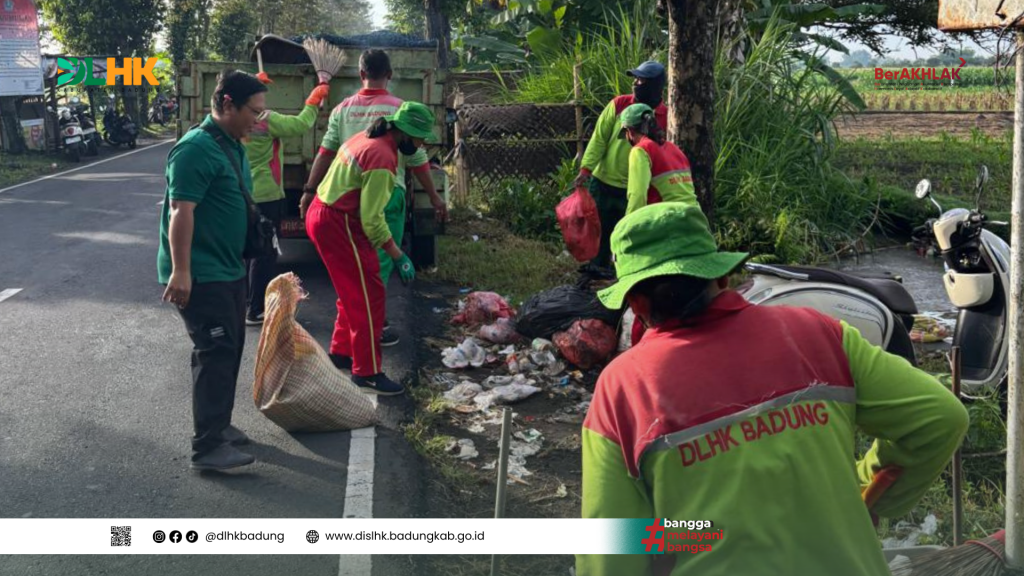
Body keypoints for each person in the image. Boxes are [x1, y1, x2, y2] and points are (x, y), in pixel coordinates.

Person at [576, 203, 969, 576]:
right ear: (721, 277)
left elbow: (610, 554)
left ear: (634, 301)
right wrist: (865, 492)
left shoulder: (623, 388)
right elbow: (941, 416)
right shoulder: (820, 334)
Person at [158, 70, 269, 471]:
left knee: (230, 349)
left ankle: (218, 426)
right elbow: (180, 212)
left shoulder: (231, 143)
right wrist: (182, 271)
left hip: (228, 268)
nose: (259, 119)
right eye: (253, 112)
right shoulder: (194, 149)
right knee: (215, 351)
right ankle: (207, 447)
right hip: (202, 274)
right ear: (226, 104)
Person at [301, 48, 447, 347]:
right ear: (390, 75)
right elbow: (418, 160)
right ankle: (372, 326)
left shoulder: (342, 109)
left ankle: (357, 330)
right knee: (375, 264)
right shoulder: (400, 109)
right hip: (387, 193)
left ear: (361, 73)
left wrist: (308, 189)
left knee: (358, 268)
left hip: (346, 197)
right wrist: (434, 197)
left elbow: (325, 153)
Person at [304, 101, 436, 396]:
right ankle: (367, 373)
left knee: (354, 290)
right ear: (406, 133)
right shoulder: (383, 158)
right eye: (419, 139)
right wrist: (398, 254)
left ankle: (341, 352)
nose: (420, 145)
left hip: (327, 216)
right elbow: (372, 219)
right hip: (339, 222)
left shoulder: (367, 137)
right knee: (369, 295)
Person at [241, 75, 329, 325]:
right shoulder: (267, 120)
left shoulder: (238, 122)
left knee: (249, 251)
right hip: (268, 193)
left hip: (246, 192)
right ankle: (256, 309)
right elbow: (301, 125)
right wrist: (314, 100)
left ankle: (248, 302)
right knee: (265, 253)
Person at [574, 60, 667, 270]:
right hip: (604, 181)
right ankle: (596, 274)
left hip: (636, 189)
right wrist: (586, 169)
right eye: (635, 79)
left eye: (641, 80)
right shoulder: (619, 104)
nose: (635, 83)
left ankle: (625, 277)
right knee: (600, 233)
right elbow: (599, 138)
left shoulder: (666, 116)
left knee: (630, 236)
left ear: (655, 84)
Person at [619, 103, 698, 216]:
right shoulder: (674, 149)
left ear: (630, 132)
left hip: (668, 220)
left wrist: (629, 227)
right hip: (695, 217)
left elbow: (638, 195)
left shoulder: (640, 150)